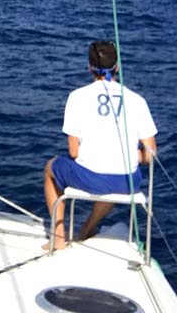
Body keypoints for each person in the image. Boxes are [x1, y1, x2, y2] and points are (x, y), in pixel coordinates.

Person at [43, 40, 157, 250]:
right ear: (117, 67)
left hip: (91, 178)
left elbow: (74, 152)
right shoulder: (137, 100)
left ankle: (58, 238)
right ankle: (87, 229)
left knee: (51, 169)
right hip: (127, 182)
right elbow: (150, 155)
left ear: (89, 67)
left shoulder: (76, 97)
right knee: (113, 176)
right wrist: (130, 155)